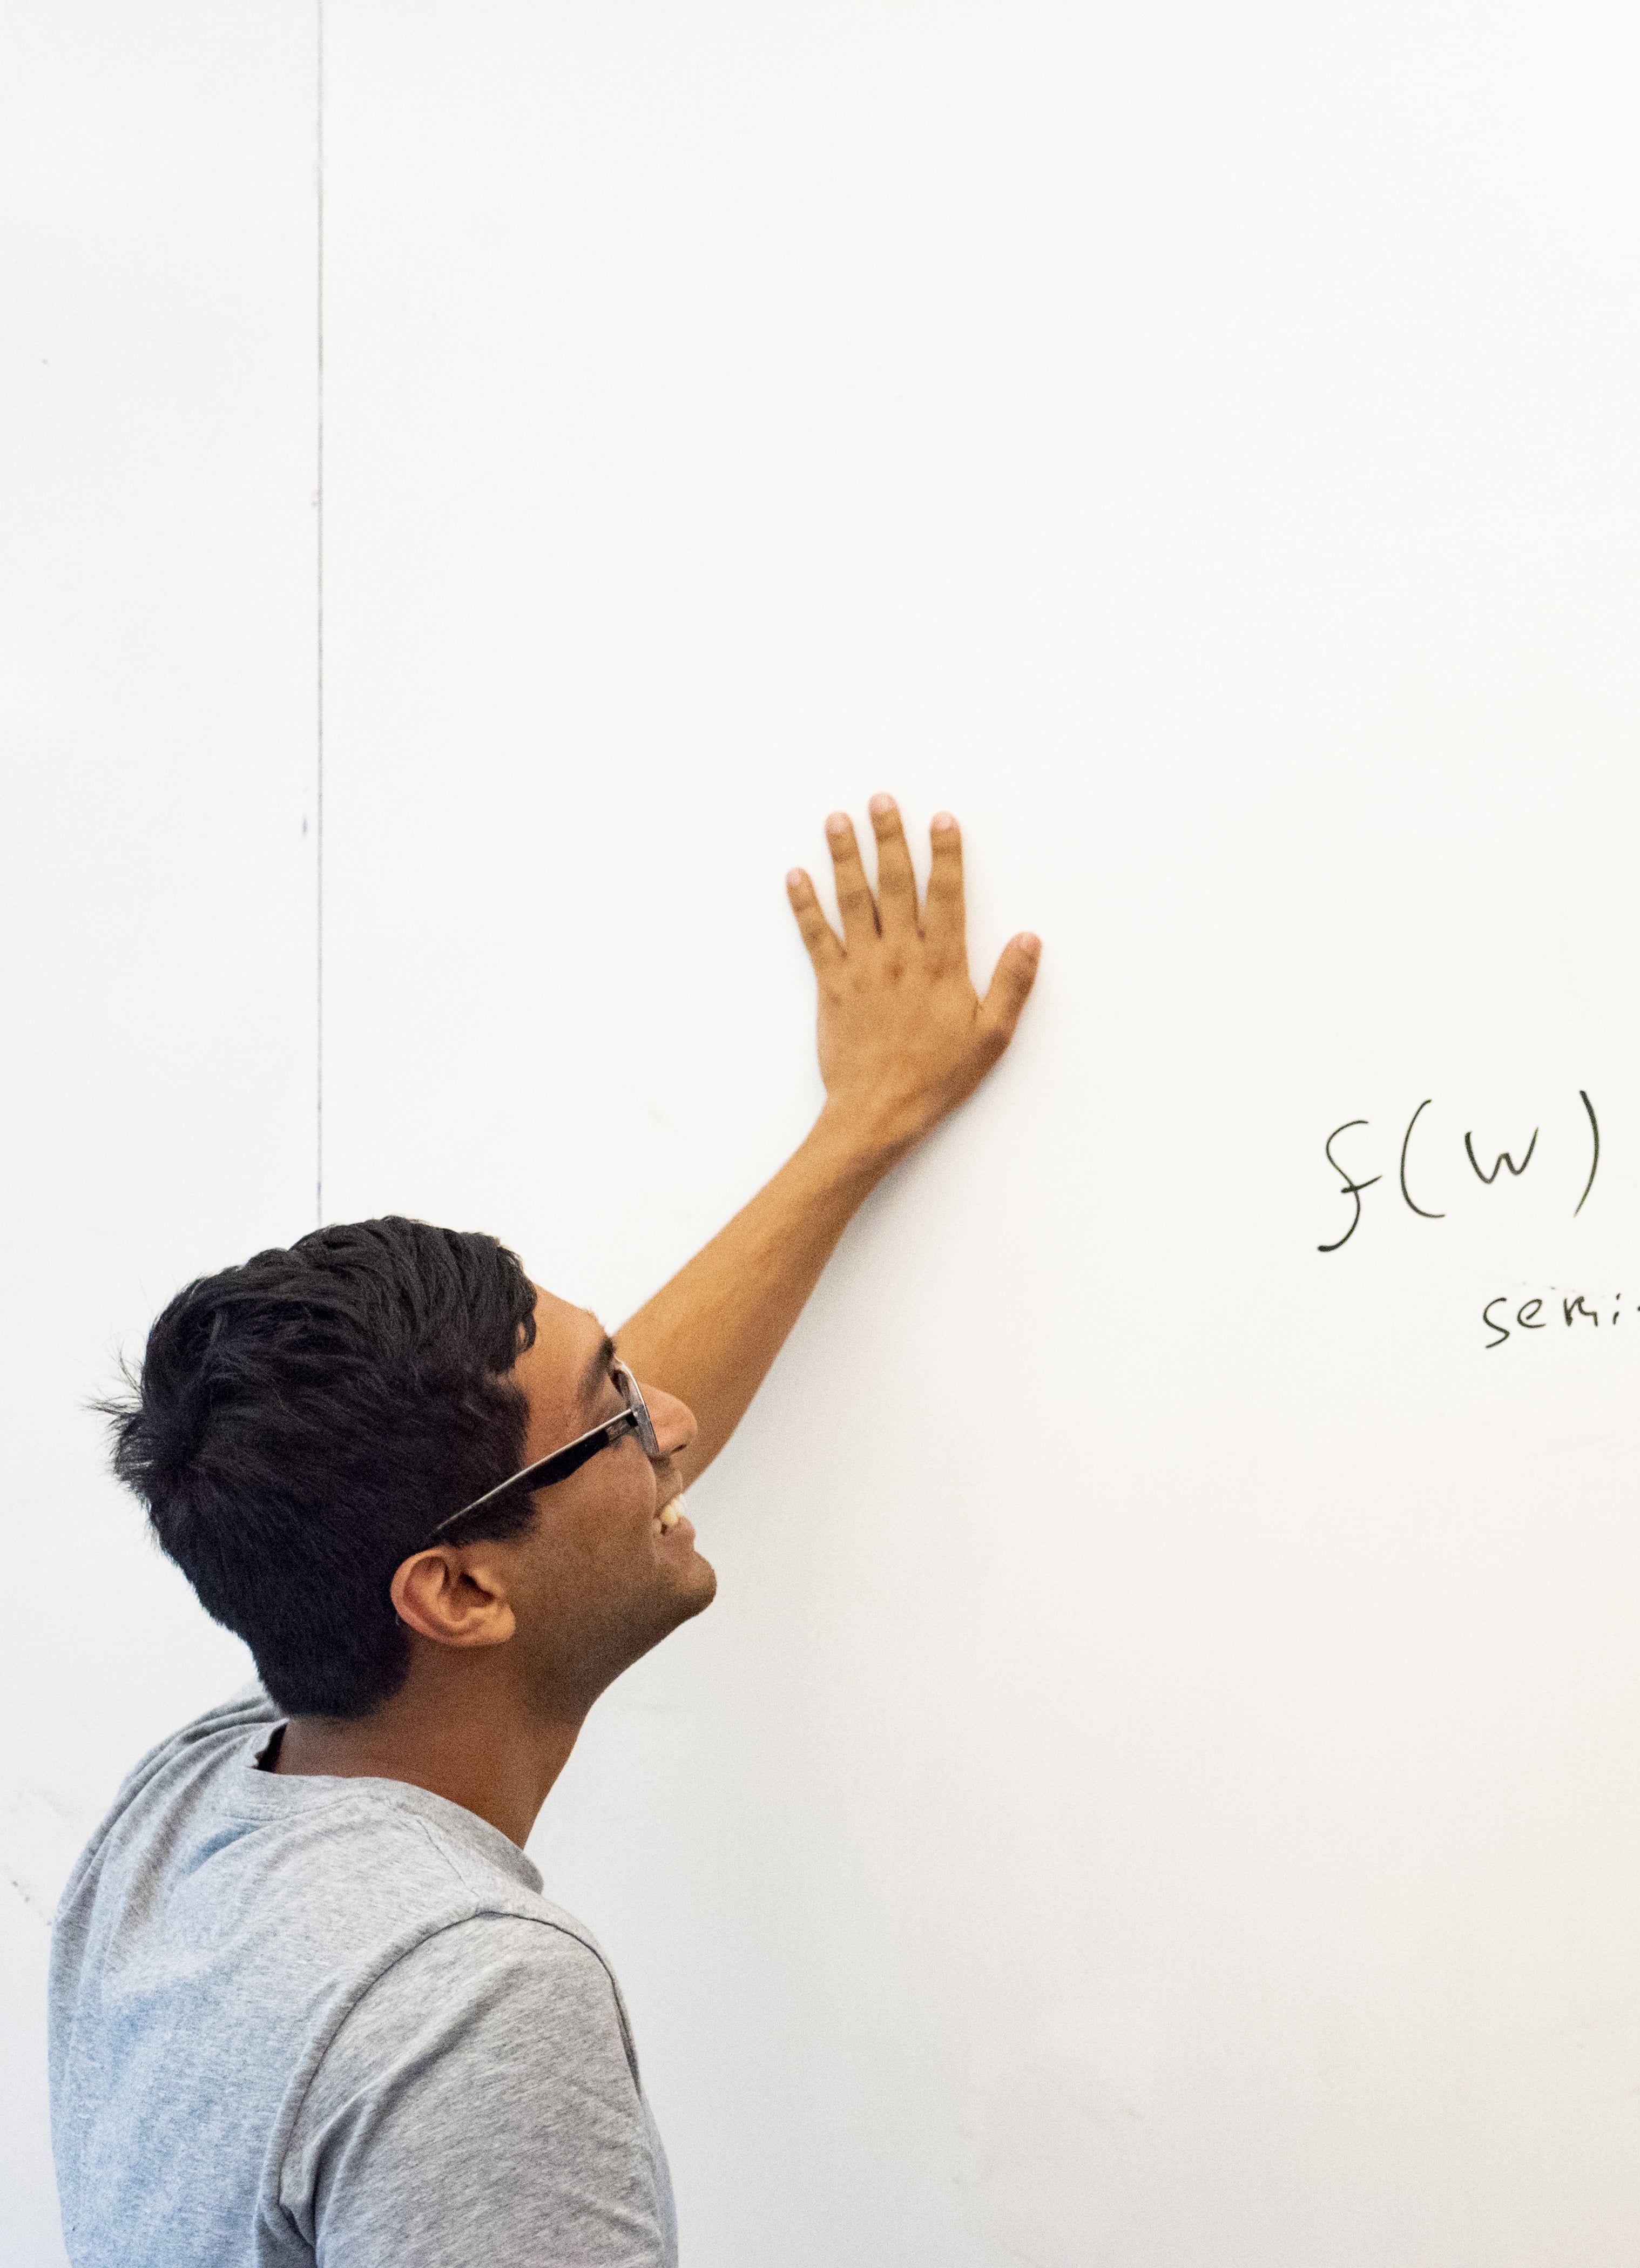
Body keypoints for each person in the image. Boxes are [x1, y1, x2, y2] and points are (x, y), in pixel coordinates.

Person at [49, 799, 1038, 2268]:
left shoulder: (193, 1813)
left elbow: (533, 1474)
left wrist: (860, 1129)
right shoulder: (467, 2009)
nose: (676, 1428)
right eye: (619, 1412)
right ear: (453, 1593)